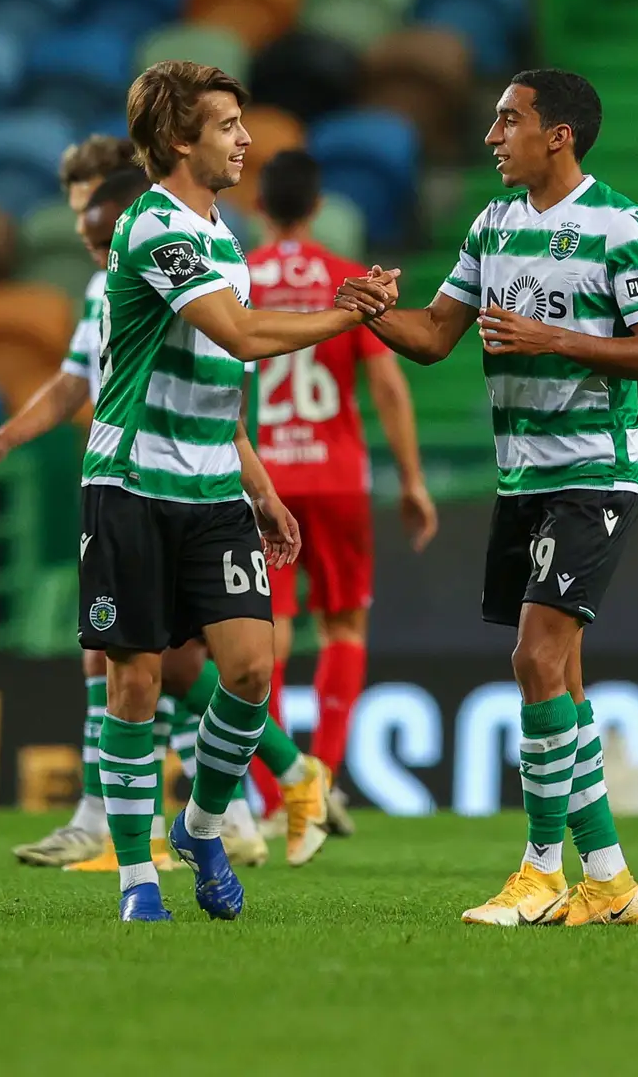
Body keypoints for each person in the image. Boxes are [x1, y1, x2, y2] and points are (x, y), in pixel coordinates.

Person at [341, 69, 638, 927]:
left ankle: (538, 871)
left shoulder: (623, 226)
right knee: (557, 669)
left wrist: (549, 338)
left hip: (595, 468)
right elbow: (433, 336)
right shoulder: (491, 225)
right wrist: (369, 311)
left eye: (509, 120)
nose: (492, 136)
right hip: (523, 473)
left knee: (533, 659)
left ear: (557, 134)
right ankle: (608, 879)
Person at [80, 60, 398, 922]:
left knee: (252, 671)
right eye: (227, 126)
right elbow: (243, 333)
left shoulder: (224, 236)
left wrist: (260, 486)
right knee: (136, 684)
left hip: (214, 485)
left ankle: (198, 826)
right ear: (181, 139)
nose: (246, 140)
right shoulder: (156, 228)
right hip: (134, 482)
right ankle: (137, 881)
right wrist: (350, 312)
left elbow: (219, 380)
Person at [0, 160, 269, 870]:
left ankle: (236, 803)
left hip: (188, 486)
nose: (95, 252)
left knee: (205, 667)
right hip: (131, 484)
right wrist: (7, 437)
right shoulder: (110, 285)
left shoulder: (194, 266)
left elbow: (226, 403)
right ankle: (131, 833)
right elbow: (77, 382)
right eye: (86, 239)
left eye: (98, 232)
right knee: (127, 665)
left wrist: (259, 490)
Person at [243, 149, 438, 834]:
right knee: (343, 626)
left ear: (259, 206)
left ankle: (277, 798)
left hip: (263, 476)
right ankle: (320, 780)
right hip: (337, 478)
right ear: (319, 207)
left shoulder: (240, 278)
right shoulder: (345, 280)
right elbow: (387, 383)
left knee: (267, 634)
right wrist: (412, 480)